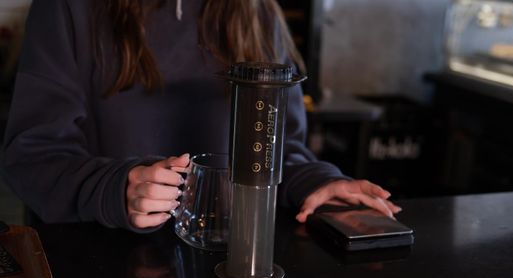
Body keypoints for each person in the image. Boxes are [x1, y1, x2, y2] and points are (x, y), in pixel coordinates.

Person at [1, 0, 401, 232]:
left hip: (225, 266)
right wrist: (114, 189)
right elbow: (31, 157)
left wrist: (318, 181)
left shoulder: (256, 11)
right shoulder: (66, 9)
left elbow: (281, 148)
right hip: (93, 271)